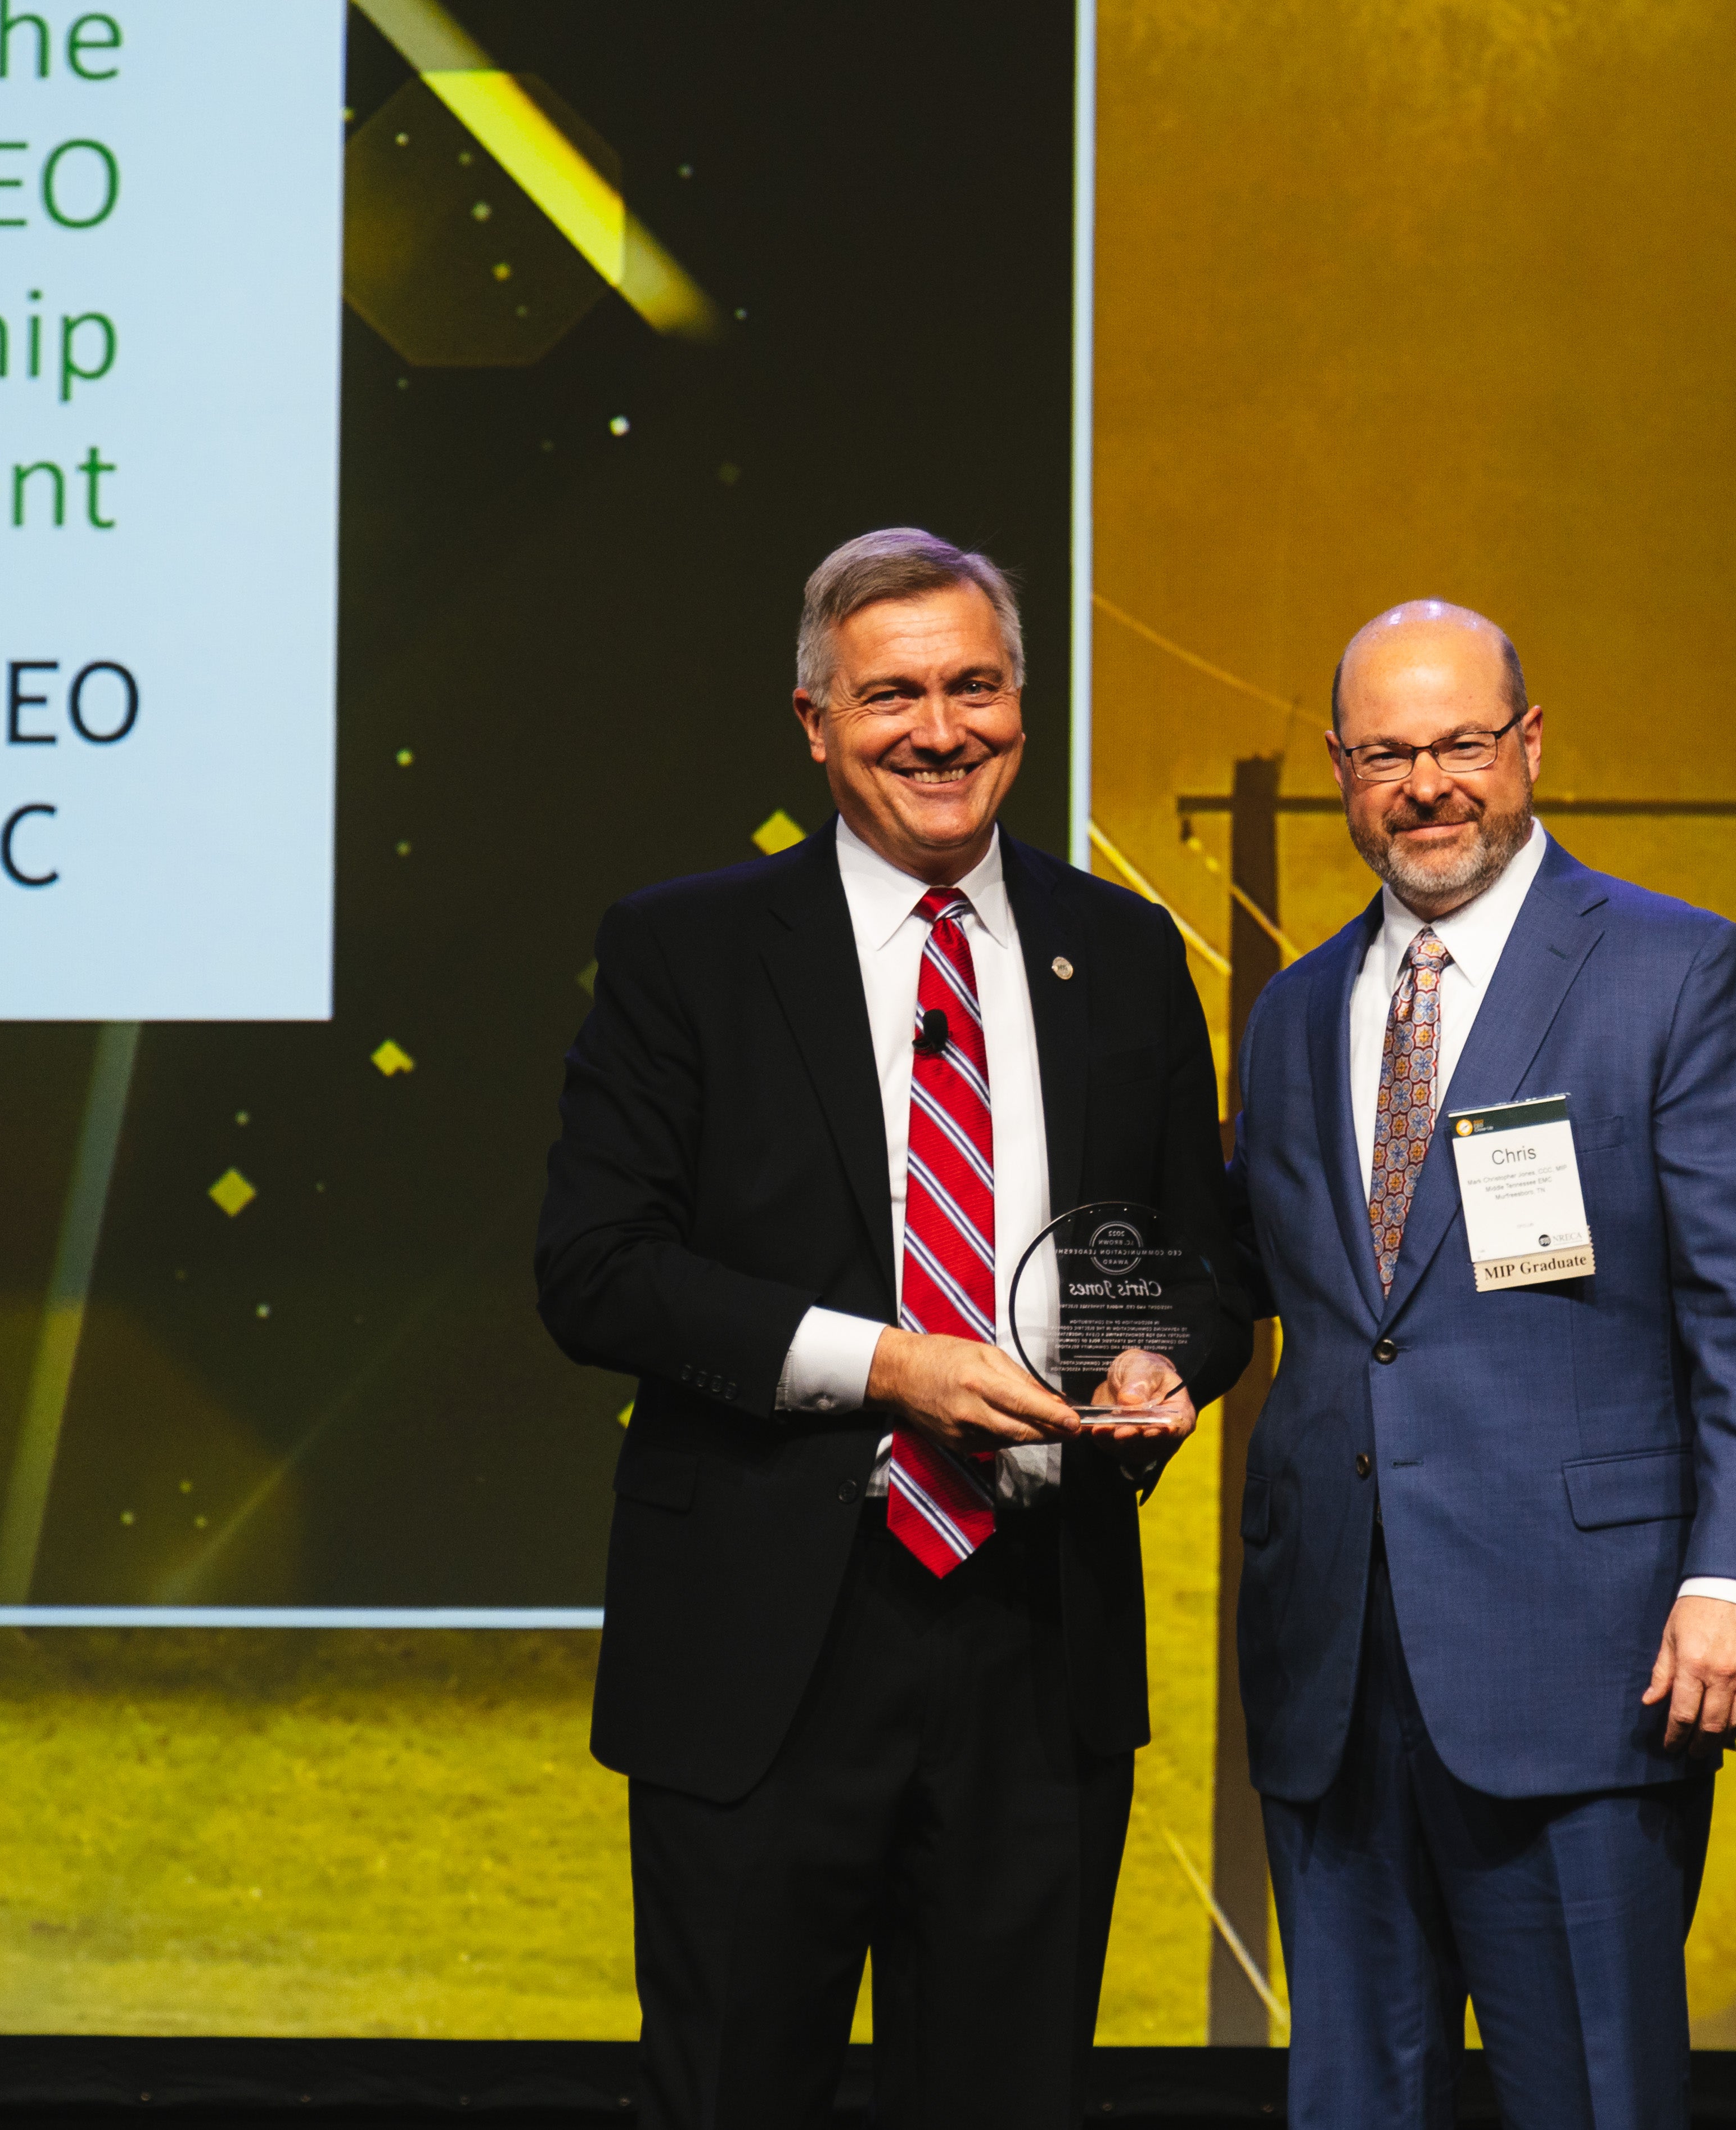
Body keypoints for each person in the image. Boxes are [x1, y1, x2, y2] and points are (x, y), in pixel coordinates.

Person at [534, 528, 1249, 2129]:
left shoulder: (1120, 951)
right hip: (763, 1637)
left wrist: (1162, 1358)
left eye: (975, 686)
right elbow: (595, 1268)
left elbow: (1189, 1263)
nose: (940, 729)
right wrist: (885, 1363)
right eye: (892, 695)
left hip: (1036, 1634)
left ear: (1020, 700)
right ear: (813, 722)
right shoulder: (686, 951)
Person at [1225, 600, 1736, 2129]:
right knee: (1355, 2099)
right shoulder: (1295, 1010)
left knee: (1594, 2098)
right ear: (1338, 769)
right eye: (1385, 754)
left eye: (1459, 745)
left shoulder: (1670, 971)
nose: (1425, 785)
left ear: (1528, 745)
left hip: (1583, 1660)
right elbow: (1286, 1299)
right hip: (1334, 1665)